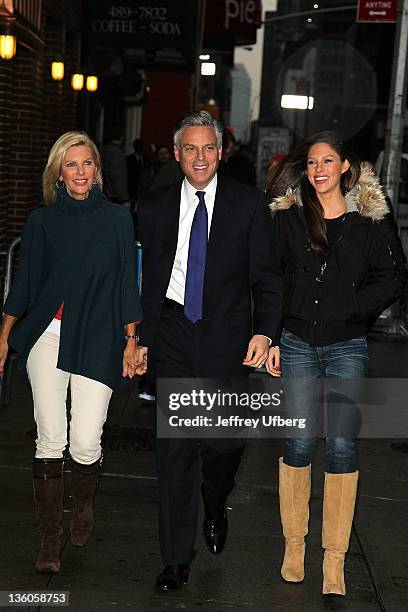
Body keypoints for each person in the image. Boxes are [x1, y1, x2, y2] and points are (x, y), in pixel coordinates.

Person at [138, 111, 282, 591]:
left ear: (221, 153)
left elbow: (266, 278)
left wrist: (265, 332)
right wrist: (136, 337)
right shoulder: (155, 206)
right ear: (177, 155)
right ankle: (176, 560)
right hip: (174, 333)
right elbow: (146, 281)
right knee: (174, 452)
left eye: (208, 148)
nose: (199, 158)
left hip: (227, 338)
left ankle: (216, 501)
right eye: (190, 149)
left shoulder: (248, 206)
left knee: (222, 445)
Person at [265, 131, 405, 597]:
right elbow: (271, 278)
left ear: (345, 166)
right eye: (311, 163)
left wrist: (351, 306)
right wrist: (274, 335)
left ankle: (334, 560)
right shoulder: (289, 217)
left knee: (342, 445)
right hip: (299, 341)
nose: (319, 169)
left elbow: (391, 278)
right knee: (300, 442)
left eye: (328, 161)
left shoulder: (368, 219)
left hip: (347, 344)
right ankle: (293, 546)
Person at [0, 131, 145, 574]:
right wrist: (5, 334)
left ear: (97, 170)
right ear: (58, 173)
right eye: (70, 164)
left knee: (85, 441)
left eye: (86, 164)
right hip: (47, 334)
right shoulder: (42, 222)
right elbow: (25, 283)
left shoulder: (118, 219)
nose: (80, 172)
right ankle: (48, 537)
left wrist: (132, 339)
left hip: (100, 334)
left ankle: (82, 504)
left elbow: (125, 282)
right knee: (50, 436)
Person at [101, 130, 130, 205]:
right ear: (121, 138)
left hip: (103, 193)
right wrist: (124, 197)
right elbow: (117, 176)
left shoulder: (103, 150)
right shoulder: (117, 152)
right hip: (114, 196)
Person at [126, 138, 151, 207]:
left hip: (144, 187)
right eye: (137, 146)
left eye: (140, 146)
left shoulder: (147, 159)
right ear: (134, 147)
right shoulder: (128, 159)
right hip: (131, 185)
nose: (139, 148)